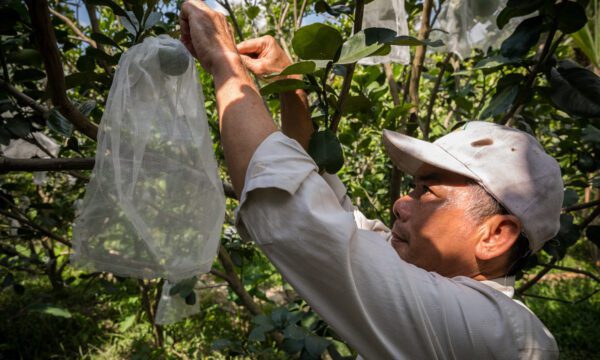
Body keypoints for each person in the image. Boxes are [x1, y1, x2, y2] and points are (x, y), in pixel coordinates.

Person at [179, 1, 562, 358]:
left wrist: (225, 62)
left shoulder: (500, 333)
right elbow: (328, 210)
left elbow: (297, 216)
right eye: (412, 188)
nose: (401, 202)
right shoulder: (432, 287)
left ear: (495, 236)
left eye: (427, 191)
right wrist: (293, 87)